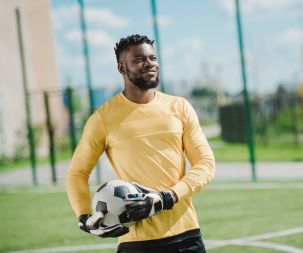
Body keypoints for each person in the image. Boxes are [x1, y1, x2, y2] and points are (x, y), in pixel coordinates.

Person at [65, 34, 215, 253]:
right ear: (121, 68)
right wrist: (84, 217)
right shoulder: (103, 119)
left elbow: (205, 163)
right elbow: (76, 173)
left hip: (187, 236)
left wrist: (165, 198)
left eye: (152, 57)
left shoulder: (179, 107)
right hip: (136, 243)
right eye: (139, 60)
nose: (149, 63)